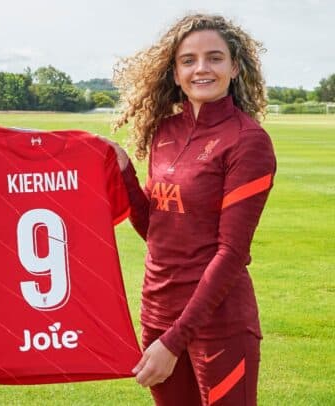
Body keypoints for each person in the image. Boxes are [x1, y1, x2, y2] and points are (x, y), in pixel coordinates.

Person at [113, 13, 277, 405]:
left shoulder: (248, 142)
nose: (201, 68)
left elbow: (232, 253)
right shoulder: (165, 133)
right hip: (157, 312)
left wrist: (174, 340)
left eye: (215, 58)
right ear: (174, 73)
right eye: (189, 60)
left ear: (235, 67)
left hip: (217, 323)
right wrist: (123, 173)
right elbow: (157, 230)